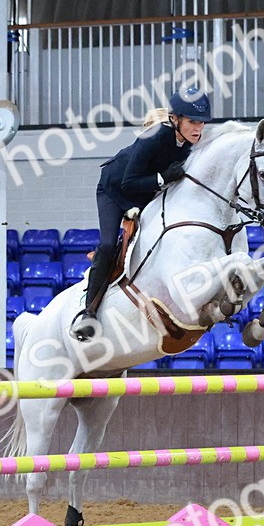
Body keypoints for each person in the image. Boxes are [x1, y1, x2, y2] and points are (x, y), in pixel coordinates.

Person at [70, 87, 212, 341]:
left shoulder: (191, 144)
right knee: (106, 244)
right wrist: (162, 178)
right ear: (175, 119)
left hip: (145, 195)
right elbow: (128, 183)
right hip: (114, 190)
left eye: (201, 122)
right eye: (192, 121)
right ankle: (88, 311)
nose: (198, 128)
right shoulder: (155, 137)